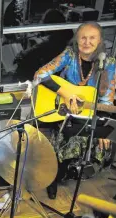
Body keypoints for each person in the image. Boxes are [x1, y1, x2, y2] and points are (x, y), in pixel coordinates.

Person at [34, 22, 116, 199]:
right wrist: (65, 93)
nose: (87, 42)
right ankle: (54, 177)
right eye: (83, 38)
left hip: (89, 113)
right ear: (77, 40)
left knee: (103, 139)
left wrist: (102, 128)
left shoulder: (108, 63)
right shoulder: (70, 55)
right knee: (65, 136)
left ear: (100, 40)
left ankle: (75, 169)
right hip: (64, 111)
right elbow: (39, 74)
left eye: (92, 38)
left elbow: (106, 99)